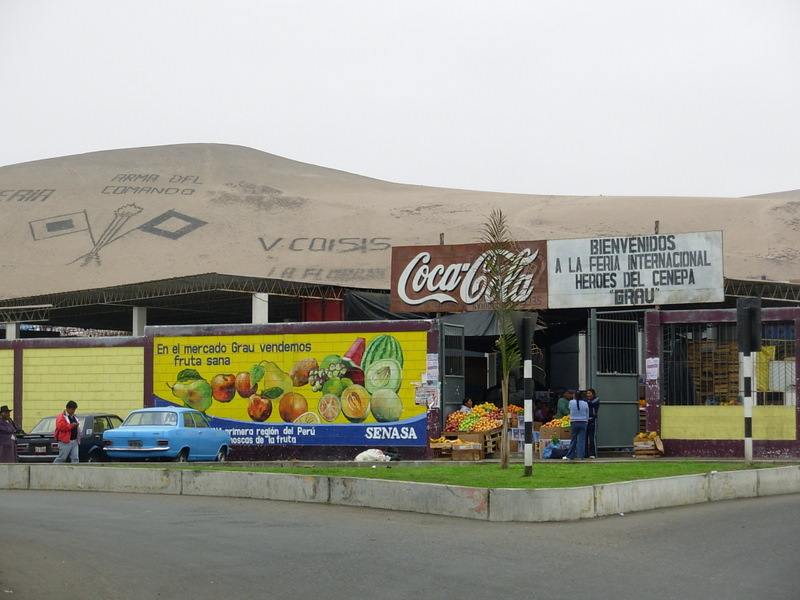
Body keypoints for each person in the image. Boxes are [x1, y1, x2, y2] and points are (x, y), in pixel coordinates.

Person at [562, 391, 588, 461]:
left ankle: (570, 456)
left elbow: (570, 408)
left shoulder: (571, 402)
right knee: (581, 440)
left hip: (574, 422)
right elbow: (587, 413)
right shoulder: (585, 403)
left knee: (573, 439)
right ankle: (580, 456)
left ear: (575, 396)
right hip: (583, 422)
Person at [585, 388, 600, 459]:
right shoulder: (585, 400)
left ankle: (593, 453)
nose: (588, 395)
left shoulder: (596, 399)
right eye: (587, 393)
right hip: (585, 420)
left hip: (593, 420)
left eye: (590, 393)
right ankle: (585, 453)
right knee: (584, 437)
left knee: (592, 437)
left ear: (593, 394)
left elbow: (591, 403)